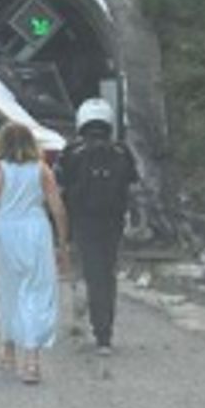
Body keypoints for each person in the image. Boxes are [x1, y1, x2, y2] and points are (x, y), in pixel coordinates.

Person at [0, 123, 72, 384]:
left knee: (9, 291)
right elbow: (58, 208)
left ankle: (8, 351)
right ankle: (32, 362)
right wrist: (62, 244)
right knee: (37, 293)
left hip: (4, 232)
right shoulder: (41, 169)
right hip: (36, 231)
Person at [55, 98, 139, 356]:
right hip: (113, 221)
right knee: (107, 272)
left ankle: (96, 327)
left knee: (92, 273)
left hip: (84, 220)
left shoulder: (71, 152)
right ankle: (106, 332)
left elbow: (59, 184)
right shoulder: (122, 152)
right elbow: (133, 183)